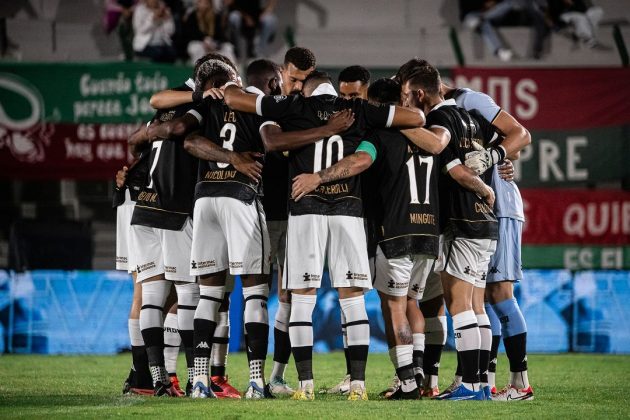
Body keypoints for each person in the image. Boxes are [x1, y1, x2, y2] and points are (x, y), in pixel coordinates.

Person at [223, 69, 426, 401]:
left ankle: (305, 385)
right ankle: (358, 385)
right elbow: (415, 116)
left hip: (306, 211)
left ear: (308, 89)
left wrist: (221, 91)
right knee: (353, 299)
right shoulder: (359, 110)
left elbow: (236, 99)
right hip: (348, 211)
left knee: (302, 300)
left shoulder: (292, 106)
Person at [401, 63, 500, 401]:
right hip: (486, 223)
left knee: (460, 306)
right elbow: (500, 145)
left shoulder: (439, 122)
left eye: (406, 97)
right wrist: (498, 162)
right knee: (477, 306)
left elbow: (456, 170)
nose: (405, 104)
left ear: (418, 94)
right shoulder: (472, 118)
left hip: (463, 220)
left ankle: (469, 385)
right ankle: (483, 384)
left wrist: (482, 188)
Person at [127, 66, 202, 397]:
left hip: (144, 205)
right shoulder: (198, 106)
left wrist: (149, 132)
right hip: (172, 208)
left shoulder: (166, 103)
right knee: (188, 293)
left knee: (153, 297)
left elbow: (137, 138)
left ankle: (158, 378)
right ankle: (192, 377)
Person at [114, 158, 153, 396]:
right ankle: (142, 375)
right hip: (142, 204)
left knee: (153, 292)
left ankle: (138, 372)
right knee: (148, 292)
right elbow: (135, 141)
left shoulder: (157, 127)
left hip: (133, 201)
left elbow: (134, 144)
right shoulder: (173, 124)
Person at [460, 0, 549, 61]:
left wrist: (492, 3)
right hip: (472, 16)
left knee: (511, 2)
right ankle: (499, 51)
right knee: (480, 22)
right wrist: (483, 6)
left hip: (491, 14)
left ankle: (481, 19)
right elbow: (465, 13)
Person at [181, 0, 236, 65]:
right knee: (196, 48)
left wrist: (216, 44)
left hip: (214, 45)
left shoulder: (216, 16)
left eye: (206, 3)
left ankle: (232, 73)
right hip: (199, 43)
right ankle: (198, 71)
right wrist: (204, 40)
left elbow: (221, 36)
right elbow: (189, 34)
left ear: (210, 4)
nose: (203, 5)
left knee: (228, 47)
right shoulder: (192, 16)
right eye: (201, 2)